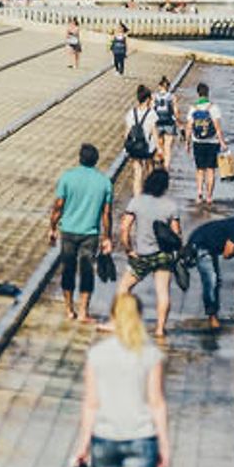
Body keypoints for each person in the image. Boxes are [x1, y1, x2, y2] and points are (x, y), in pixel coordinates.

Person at [72, 293, 170, 467]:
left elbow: (91, 403)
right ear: (140, 317)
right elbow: (156, 402)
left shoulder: (97, 355)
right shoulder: (150, 355)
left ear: (113, 316)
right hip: (142, 438)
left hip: (105, 438)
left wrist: (83, 444)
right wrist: (164, 445)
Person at [48, 143, 114, 323]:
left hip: (68, 230)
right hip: (90, 233)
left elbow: (58, 205)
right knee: (87, 271)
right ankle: (83, 311)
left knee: (68, 269)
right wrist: (107, 237)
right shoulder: (104, 182)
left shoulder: (68, 177)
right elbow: (106, 213)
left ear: (80, 158)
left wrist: (52, 227)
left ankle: (69, 309)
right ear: (96, 160)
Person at [117, 169, 179, 338]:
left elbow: (124, 228)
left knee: (124, 288)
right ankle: (160, 329)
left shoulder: (137, 202)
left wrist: (128, 249)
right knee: (163, 292)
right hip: (163, 255)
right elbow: (177, 234)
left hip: (142, 254)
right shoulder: (170, 206)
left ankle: (121, 322)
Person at [187, 82, 228, 205]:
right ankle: (209, 196)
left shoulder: (193, 108)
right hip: (212, 142)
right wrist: (223, 142)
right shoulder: (213, 108)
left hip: (198, 142)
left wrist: (187, 143)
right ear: (208, 93)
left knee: (200, 169)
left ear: (198, 93)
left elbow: (189, 126)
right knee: (211, 170)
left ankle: (199, 193)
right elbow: (217, 127)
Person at [125, 85, 157, 197]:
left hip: (134, 147)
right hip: (148, 147)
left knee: (137, 173)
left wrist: (126, 146)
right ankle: (150, 193)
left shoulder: (131, 113)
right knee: (150, 170)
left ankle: (137, 197)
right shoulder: (152, 114)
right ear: (148, 99)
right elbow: (154, 132)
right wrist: (159, 148)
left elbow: (127, 132)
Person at [152, 76, 181, 168]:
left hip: (158, 123)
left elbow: (152, 110)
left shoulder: (154, 96)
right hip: (169, 124)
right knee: (167, 147)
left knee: (158, 145)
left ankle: (158, 161)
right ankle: (166, 168)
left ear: (159, 86)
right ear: (168, 87)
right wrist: (179, 122)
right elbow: (176, 112)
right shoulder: (172, 97)